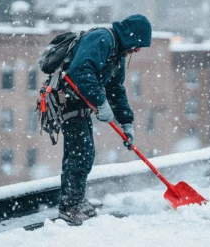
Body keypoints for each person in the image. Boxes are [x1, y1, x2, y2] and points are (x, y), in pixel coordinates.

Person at [58, 14, 152, 226]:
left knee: (80, 153)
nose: (137, 50)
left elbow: (116, 90)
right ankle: (70, 206)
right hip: (68, 101)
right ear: (131, 36)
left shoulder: (117, 55)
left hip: (81, 104)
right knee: (82, 153)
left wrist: (126, 122)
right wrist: (100, 102)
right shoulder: (103, 39)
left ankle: (74, 201)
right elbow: (80, 71)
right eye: (138, 45)